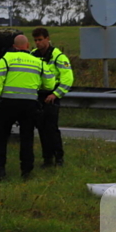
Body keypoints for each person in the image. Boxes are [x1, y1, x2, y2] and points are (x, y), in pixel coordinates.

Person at [0, 34, 52, 181]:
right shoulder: (38, 62)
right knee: (27, 138)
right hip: (29, 104)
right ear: (28, 46)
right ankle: (26, 172)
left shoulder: (6, 59)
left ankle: (0, 171)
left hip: (8, 103)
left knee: (1, 137)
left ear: (14, 46)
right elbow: (49, 84)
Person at [31, 27, 74, 168]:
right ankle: (47, 159)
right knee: (41, 128)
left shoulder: (58, 57)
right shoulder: (33, 55)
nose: (38, 43)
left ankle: (58, 158)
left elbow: (67, 79)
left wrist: (55, 94)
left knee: (51, 128)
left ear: (47, 39)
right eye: (35, 40)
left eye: (40, 40)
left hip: (52, 95)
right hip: (38, 95)